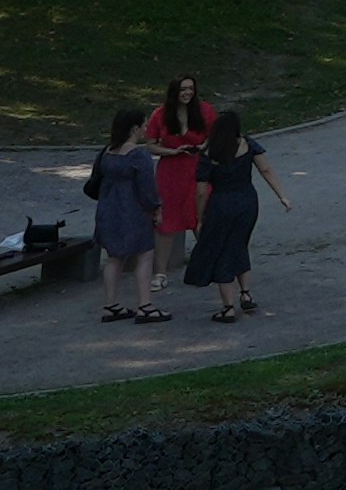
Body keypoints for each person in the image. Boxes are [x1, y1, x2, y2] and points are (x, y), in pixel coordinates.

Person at [183, 119, 280, 322]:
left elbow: (201, 192)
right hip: (247, 201)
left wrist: (200, 218)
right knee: (239, 244)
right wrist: (282, 195)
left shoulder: (209, 153)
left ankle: (228, 307)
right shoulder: (247, 143)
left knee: (222, 252)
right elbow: (266, 169)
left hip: (221, 204)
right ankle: (245, 294)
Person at [83, 104, 167, 321]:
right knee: (145, 256)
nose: (146, 129)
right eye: (144, 125)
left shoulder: (107, 152)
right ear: (134, 128)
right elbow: (147, 189)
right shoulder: (139, 155)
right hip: (133, 211)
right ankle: (145, 305)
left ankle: (110, 305)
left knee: (114, 259)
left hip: (108, 210)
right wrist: (156, 209)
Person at [146, 72, 215, 263]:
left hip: (197, 167)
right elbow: (150, 144)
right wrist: (171, 151)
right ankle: (160, 272)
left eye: (191, 89)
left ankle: (210, 263)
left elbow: (214, 135)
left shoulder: (205, 110)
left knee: (201, 215)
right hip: (171, 171)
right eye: (183, 89)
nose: (187, 93)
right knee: (167, 221)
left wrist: (204, 146)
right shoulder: (160, 114)